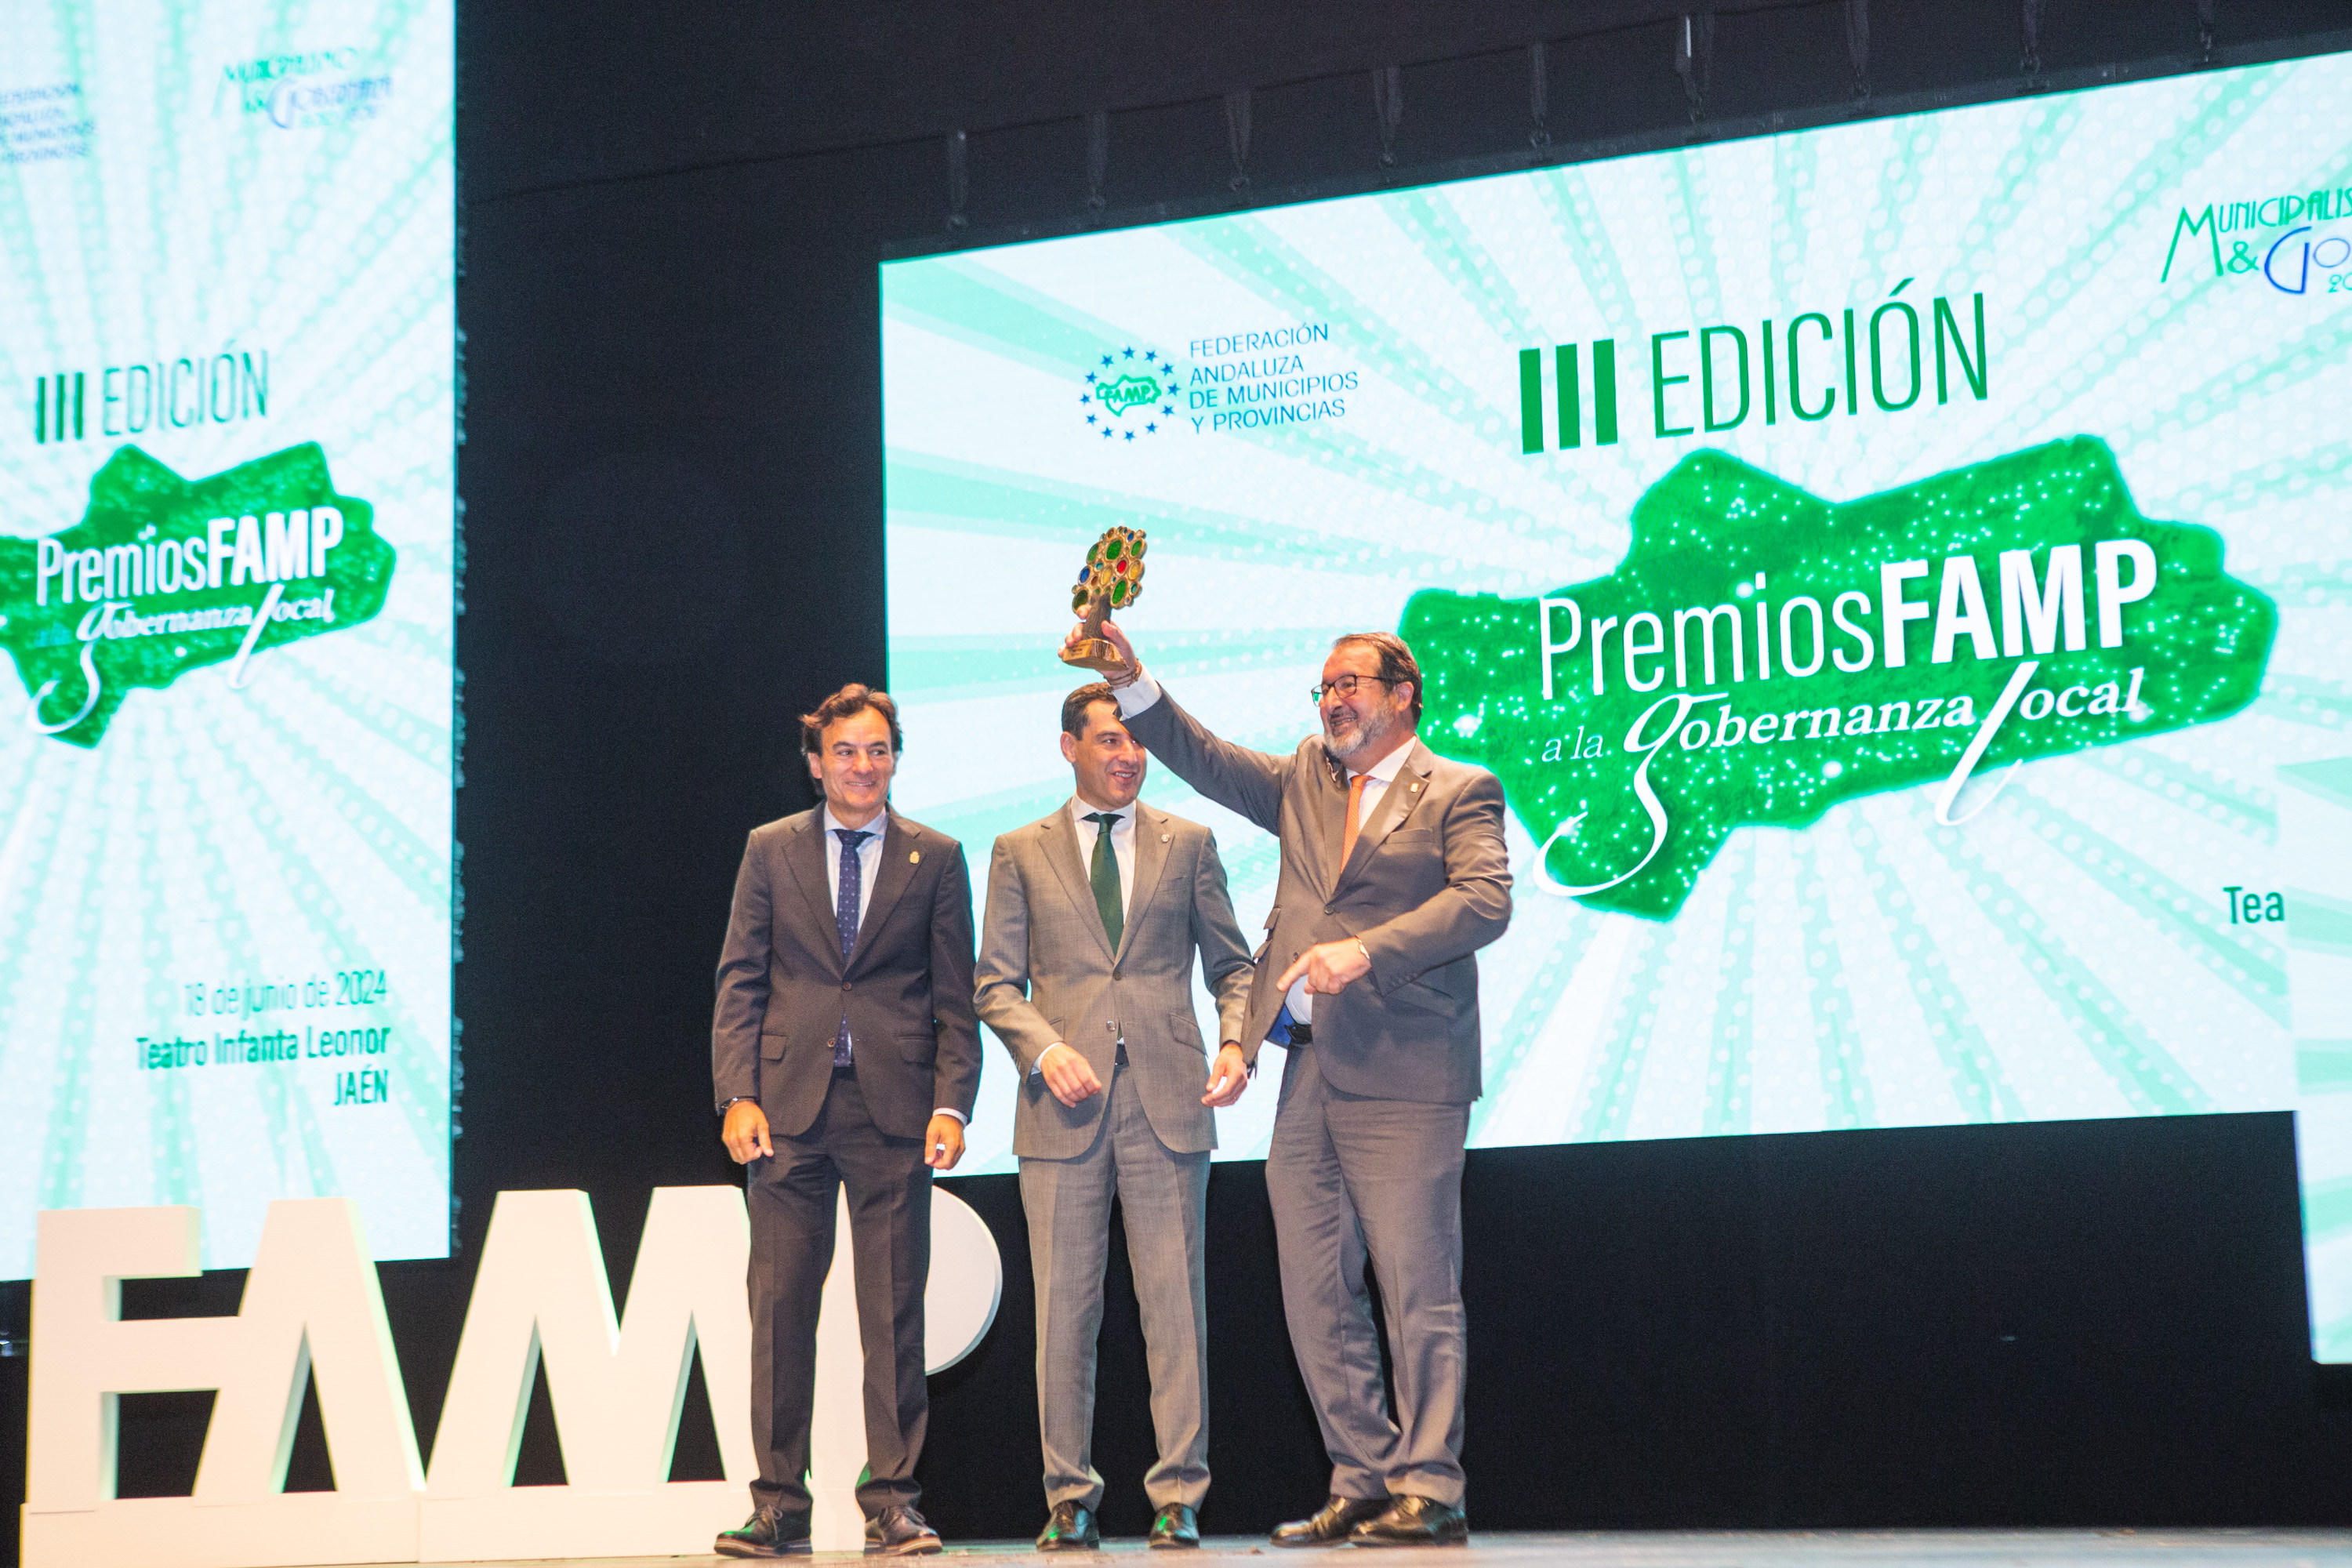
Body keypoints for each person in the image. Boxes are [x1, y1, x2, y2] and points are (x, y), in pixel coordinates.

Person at [1069, 622, 1511, 1550]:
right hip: (1310, 1068)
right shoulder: (1309, 775)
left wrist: (1368, 950)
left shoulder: (1458, 789)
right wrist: (1131, 676)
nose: (1333, 700)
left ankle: (1431, 1485)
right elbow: (1203, 756)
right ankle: (1363, 1477)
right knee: (1314, 1287)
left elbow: (1484, 900)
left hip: (1409, 1072)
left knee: (1415, 1286)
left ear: (1403, 693)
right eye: (1324, 688)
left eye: (1350, 683)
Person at [975, 682, 1256, 1552]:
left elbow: (1233, 967)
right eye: (1108, 739)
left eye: (1135, 740)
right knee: (1064, 1313)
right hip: (1061, 1104)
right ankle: (1069, 1497)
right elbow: (994, 984)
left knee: (1176, 1308)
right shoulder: (1019, 849)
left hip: (1169, 1099)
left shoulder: (1190, 842)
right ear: (1070, 747)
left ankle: (1179, 1495)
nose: (1128, 753)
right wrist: (1041, 1048)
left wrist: (1237, 1042)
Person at [710, 683, 981, 1558]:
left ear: (895, 759)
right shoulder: (770, 849)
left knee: (893, 1316)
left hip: (895, 1111)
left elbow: (956, 997)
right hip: (786, 1110)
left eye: (877, 750)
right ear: (816, 762)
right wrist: (737, 1094)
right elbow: (741, 979)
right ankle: (777, 1505)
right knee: (780, 1310)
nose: (862, 765)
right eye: (845, 751)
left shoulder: (936, 856)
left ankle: (892, 1503)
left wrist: (952, 1101)